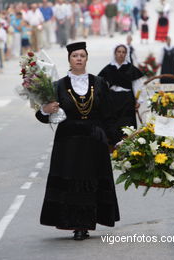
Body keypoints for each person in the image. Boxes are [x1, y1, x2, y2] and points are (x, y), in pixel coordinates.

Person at [35, 42, 120, 241]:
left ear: (86, 58)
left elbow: (109, 115)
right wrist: (45, 110)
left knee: (91, 183)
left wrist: (117, 140)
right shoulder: (58, 86)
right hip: (68, 142)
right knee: (73, 184)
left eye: (82, 55)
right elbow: (44, 116)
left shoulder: (99, 83)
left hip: (94, 141)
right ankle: (77, 225)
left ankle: (87, 223)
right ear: (69, 60)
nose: (79, 59)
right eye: (75, 56)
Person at [98, 44, 144, 134]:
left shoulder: (131, 68)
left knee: (127, 125)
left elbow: (137, 86)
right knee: (112, 124)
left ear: (126, 54)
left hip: (127, 100)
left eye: (123, 52)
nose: (121, 54)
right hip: (112, 99)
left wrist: (138, 100)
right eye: (119, 52)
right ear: (115, 53)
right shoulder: (109, 68)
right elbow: (102, 85)